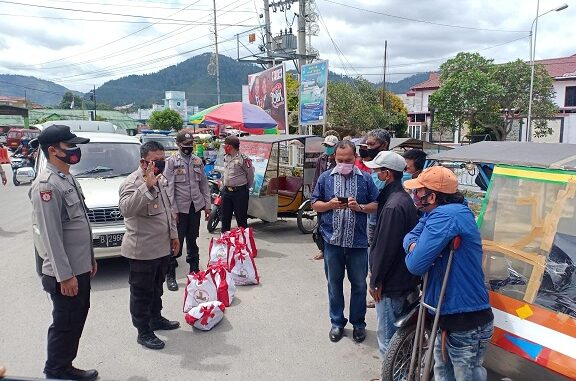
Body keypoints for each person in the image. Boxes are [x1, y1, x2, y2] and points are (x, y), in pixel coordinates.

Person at [403, 166, 494, 381]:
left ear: (432, 196)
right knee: (442, 373)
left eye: (418, 192)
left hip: (465, 318)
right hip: (446, 313)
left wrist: (413, 247)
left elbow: (415, 265)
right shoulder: (436, 211)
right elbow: (410, 236)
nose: (414, 196)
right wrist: (412, 244)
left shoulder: (446, 215)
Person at [28, 125, 98, 381]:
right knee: (65, 323)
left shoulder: (67, 177)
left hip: (79, 268)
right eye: (69, 146)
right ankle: (55, 371)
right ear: (53, 150)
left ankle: (65, 365)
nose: (74, 150)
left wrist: (89, 259)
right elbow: (51, 236)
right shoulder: (46, 185)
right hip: (64, 273)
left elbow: (80, 224)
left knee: (76, 319)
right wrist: (64, 276)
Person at [311, 140, 379, 343]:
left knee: (358, 285)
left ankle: (359, 324)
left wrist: (360, 208)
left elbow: (376, 204)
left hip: (358, 243)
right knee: (334, 284)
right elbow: (315, 204)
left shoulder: (366, 179)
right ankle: (337, 323)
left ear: (355, 157)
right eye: (339, 160)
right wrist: (329, 205)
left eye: (348, 160)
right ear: (334, 158)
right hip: (332, 243)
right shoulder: (325, 179)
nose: (343, 163)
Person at [119, 141, 181, 350]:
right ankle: (143, 331)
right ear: (143, 162)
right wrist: (147, 186)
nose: (160, 164)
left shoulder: (161, 180)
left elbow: (167, 209)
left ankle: (156, 318)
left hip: (161, 248)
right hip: (142, 250)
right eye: (156, 161)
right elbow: (126, 209)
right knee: (141, 292)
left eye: (163, 160)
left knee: (156, 288)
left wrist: (174, 235)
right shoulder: (132, 182)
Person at [364, 151, 420, 357]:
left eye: (377, 172)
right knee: (399, 338)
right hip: (401, 279)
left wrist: (376, 281)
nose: (374, 176)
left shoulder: (393, 206)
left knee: (389, 340)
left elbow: (385, 249)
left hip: (391, 283)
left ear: (387, 175)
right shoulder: (400, 199)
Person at [164, 130, 211, 290]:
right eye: (185, 145)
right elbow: (168, 187)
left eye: (190, 145)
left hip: (195, 207)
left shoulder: (198, 161)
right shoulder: (171, 162)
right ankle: (170, 275)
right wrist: (173, 210)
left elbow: (204, 184)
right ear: (178, 145)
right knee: (176, 242)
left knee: (193, 239)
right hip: (179, 209)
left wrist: (208, 205)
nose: (188, 148)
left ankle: (194, 270)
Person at [220, 135, 254, 233]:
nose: (224, 147)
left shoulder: (243, 159)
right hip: (226, 192)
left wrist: (245, 188)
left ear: (229, 146)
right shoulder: (226, 157)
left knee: (241, 219)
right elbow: (225, 172)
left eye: (225, 145)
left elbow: (250, 175)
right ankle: (225, 242)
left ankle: (244, 244)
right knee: (225, 218)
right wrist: (222, 182)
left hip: (240, 193)